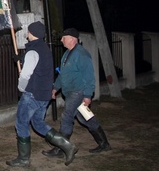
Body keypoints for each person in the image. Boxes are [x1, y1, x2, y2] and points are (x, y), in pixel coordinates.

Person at [6, 21, 77, 167]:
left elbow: (26, 74)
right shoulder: (43, 48)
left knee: (21, 123)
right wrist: (21, 59)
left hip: (32, 93)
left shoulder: (33, 51)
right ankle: (67, 146)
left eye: (28, 31)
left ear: (32, 33)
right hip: (44, 94)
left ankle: (24, 159)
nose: (26, 34)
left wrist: (21, 88)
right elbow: (40, 67)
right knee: (38, 123)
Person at [42, 28, 111, 159]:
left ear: (72, 39)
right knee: (85, 117)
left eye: (64, 37)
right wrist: (55, 88)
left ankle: (61, 149)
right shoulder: (67, 54)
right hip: (72, 92)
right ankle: (104, 143)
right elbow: (63, 75)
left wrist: (87, 95)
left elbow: (89, 76)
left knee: (67, 117)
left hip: (78, 92)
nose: (61, 40)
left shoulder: (82, 54)